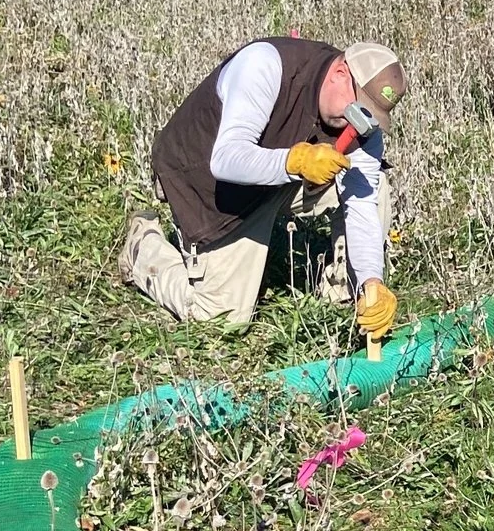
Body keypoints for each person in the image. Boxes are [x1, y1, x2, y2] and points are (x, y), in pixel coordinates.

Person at [120, 36, 407, 337]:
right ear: (339, 75)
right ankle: (143, 248)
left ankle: (344, 296)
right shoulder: (265, 65)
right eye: (359, 111)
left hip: (280, 178)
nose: (359, 125)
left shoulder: (363, 126)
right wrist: (294, 163)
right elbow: (226, 159)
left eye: (371, 119)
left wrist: (371, 281)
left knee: (371, 187)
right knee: (221, 322)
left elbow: (361, 205)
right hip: (206, 183)